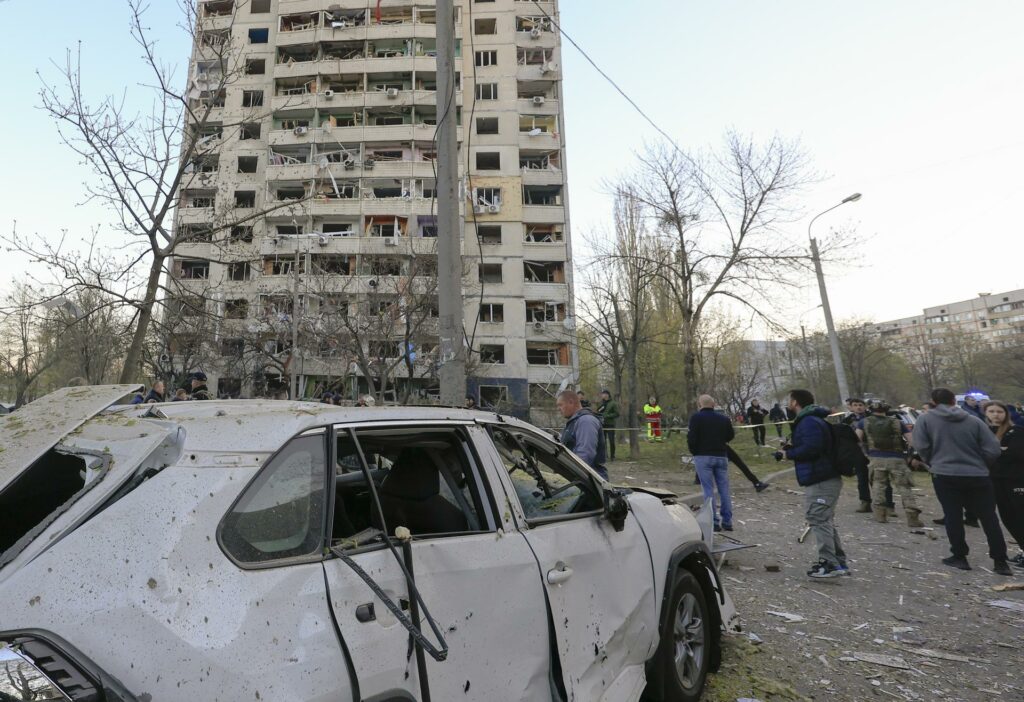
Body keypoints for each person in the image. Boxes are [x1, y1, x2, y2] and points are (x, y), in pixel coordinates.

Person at [912, 388, 1010, 575]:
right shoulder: (974, 420)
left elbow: (921, 445)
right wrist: (981, 464)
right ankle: (1000, 561)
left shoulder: (925, 420)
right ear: (954, 401)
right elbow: (993, 448)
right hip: (977, 475)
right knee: (989, 518)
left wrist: (933, 462)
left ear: (933, 401)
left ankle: (959, 556)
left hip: (945, 474)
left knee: (953, 515)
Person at [780, 389, 850, 578]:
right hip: (822, 476)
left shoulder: (808, 421)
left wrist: (789, 454)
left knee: (818, 517)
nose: (788, 403)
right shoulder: (813, 420)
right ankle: (838, 562)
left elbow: (813, 448)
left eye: (790, 400)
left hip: (821, 478)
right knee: (824, 519)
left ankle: (829, 563)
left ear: (795, 402)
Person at [856, 401, 923, 527]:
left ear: (871, 410)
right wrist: (910, 455)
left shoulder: (863, 422)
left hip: (876, 458)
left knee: (878, 486)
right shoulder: (898, 422)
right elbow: (911, 441)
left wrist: (865, 453)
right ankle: (912, 517)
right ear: (887, 410)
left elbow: (856, 439)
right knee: (904, 487)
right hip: (897, 459)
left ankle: (880, 515)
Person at [983, 401, 1024, 568]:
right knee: (1007, 517)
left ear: (1006, 413)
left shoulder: (1016, 431)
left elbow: (1015, 453)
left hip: (1016, 480)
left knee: (1019, 515)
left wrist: (998, 452)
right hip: (995, 480)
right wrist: (1001, 450)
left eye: (999, 411)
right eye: (991, 411)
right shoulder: (985, 432)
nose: (995, 415)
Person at [688, 395, 735, 531]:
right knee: (724, 489)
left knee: (708, 489)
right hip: (721, 456)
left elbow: (692, 437)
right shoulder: (724, 419)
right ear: (713, 405)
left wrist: (694, 451)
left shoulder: (696, 418)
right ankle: (727, 521)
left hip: (703, 456)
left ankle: (713, 521)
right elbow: (730, 435)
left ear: (700, 405)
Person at [557, 389, 608, 480]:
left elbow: (585, 455)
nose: (558, 409)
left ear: (571, 402)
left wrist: (570, 476)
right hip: (580, 478)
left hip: (589, 481)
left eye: (560, 405)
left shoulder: (586, 421)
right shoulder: (574, 421)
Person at [596, 389, 620, 462]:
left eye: (603, 394)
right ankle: (604, 456)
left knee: (611, 441)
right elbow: (598, 411)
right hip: (602, 424)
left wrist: (607, 416)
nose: (602, 395)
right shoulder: (601, 403)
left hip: (610, 424)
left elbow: (617, 414)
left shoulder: (613, 403)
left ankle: (612, 456)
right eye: (602, 394)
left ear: (607, 395)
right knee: (602, 441)